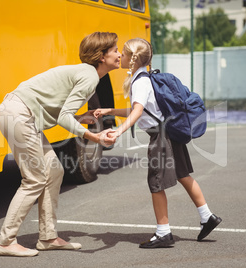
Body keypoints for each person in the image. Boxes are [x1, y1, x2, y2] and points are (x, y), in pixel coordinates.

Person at [0, 32, 120, 257]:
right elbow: (63, 117)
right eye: (115, 51)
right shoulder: (89, 76)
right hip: (19, 115)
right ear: (102, 56)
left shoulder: (88, 75)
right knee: (34, 179)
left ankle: (48, 237)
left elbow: (61, 112)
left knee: (54, 170)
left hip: (22, 115)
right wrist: (96, 137)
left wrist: (81, 117)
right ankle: (5, 241)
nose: (119, 55)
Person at [94, 38, 222, 248]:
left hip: (161, 137)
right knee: (183, 175)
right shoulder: (145, 78)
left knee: (156, 183)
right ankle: (207, 216)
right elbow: (141, 109)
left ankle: (164, 232)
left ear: (132, 59)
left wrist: (118, 131)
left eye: (123, 54)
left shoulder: (139, 81)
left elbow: (137, 111)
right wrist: (110, 111)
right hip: (169, 131)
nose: (120, 57)